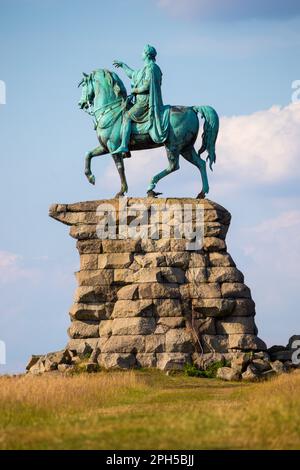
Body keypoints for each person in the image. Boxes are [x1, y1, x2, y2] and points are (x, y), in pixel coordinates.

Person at [112, 44, 169, 155]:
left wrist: (135, 90)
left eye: (142, 52)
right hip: (140, 100)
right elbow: (133, 74)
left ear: (147, 54)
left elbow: (147, 86)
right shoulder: (145, 69)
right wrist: (123, 66)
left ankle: (124, 145)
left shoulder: (152, 68)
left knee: (127, 116)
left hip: (146, 101)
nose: (141, 54)